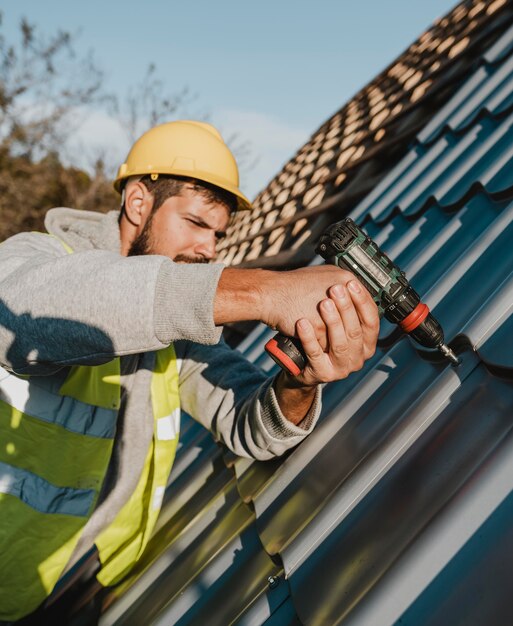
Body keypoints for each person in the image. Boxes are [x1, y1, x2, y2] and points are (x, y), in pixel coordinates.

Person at [0, 120, 379, 622]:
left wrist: (300, 380)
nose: (210, 249)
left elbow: (252, 427)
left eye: (218, 234)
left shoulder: (175, 333)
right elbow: (28, 315)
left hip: (71, 582)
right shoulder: (35, 258)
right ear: (139, 203)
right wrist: (263, 291)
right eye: (197, 224)